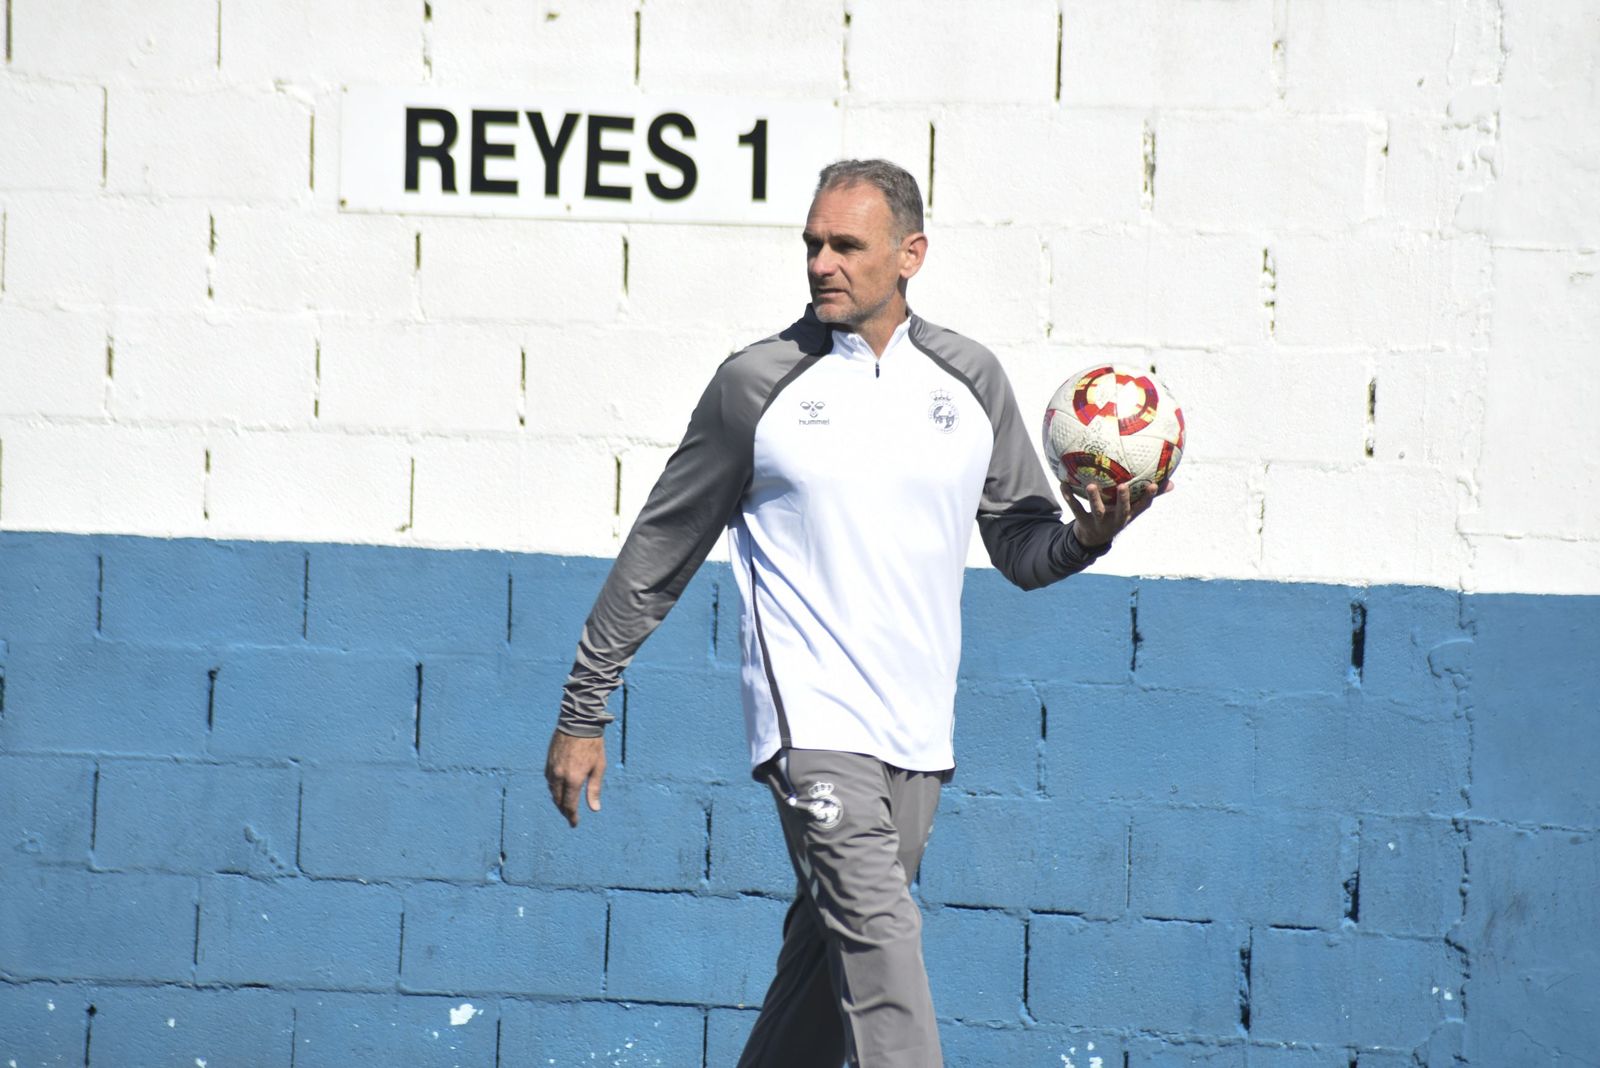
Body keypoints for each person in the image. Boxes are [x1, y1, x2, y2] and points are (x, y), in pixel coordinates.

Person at [546, 158, 1164, 1068]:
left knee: (818, 984)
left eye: (847, 245)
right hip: (813, 725)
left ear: (910, 254)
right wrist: (582, 707)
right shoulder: (755, 385)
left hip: (916, 734)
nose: (822, 263)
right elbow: (656, 556)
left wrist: (1090, 539)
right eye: (812, 244)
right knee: (883, 956)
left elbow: (1023, 549)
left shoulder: (971, 381)